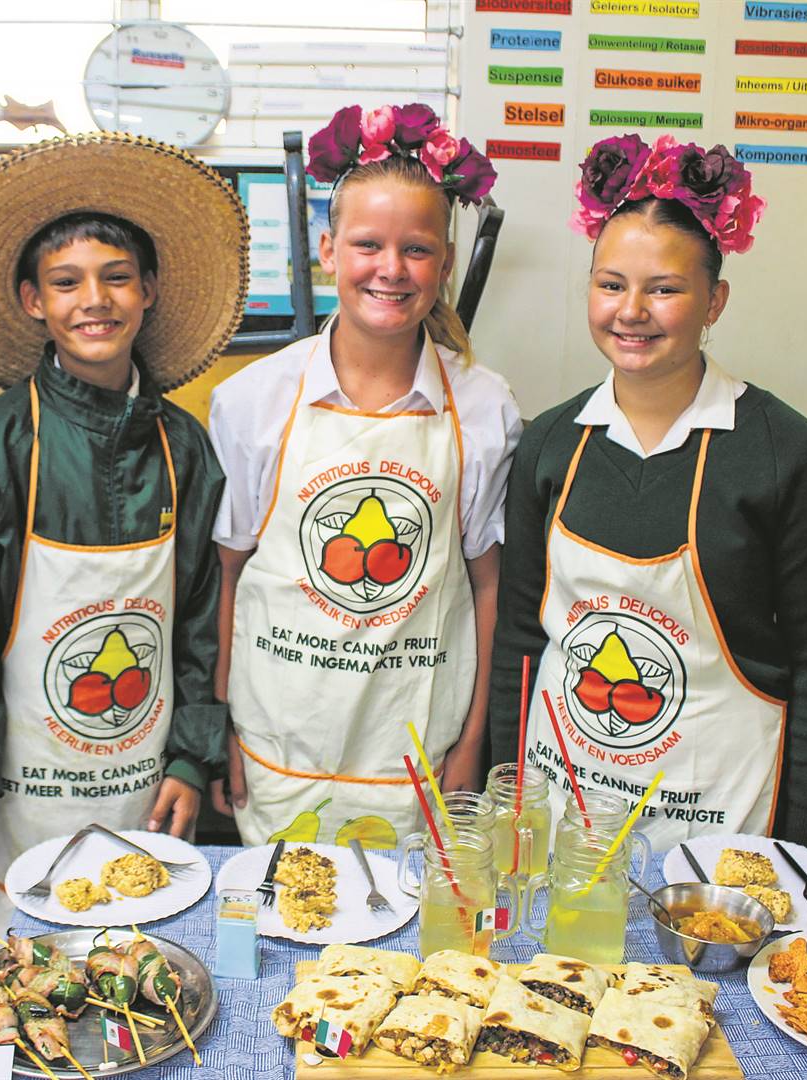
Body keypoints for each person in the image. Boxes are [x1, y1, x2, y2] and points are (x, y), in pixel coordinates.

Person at [0, 134, 245, 932]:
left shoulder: (185, 447)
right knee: (25, 970)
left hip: (148, 784)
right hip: (17, 793)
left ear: (149, 292)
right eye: (67, 282)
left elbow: (202, 622)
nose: (94, 300)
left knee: (147, 957)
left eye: (117, 277)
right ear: (34, 301)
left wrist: (191, 758)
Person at [488, 134, 807, 850]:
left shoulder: (788, 456)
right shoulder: (551, 443)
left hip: (720, 816)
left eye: (664, 289)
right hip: (561, 808)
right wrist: (508, 795)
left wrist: (803, 844)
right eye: (610, 284)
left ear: (715, 301)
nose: (631, 311)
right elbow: (521, 642)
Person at [207, 103, 521, 847]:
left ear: (446, 263)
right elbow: (227, 576)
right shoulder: (254, 399)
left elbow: (488, 589)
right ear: (328, 250)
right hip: (278, 753)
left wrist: (473, 740)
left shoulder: (485, 406)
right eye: (367, 244)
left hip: (418, 757)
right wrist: (220, 726)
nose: (391, 269)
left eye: (417, 250)